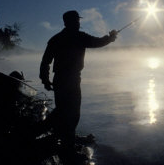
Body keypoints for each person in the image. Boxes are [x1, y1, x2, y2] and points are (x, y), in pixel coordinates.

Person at [39, 10, 117, 153]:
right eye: (77, 21)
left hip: (60, 80)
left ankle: (59, 136)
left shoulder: (56, 39)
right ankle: (65, 144)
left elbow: (45, 62)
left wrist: (45, 79)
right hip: (72, 80)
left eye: (78, 21)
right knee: (73, 113)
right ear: (69, 22)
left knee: (62, 109)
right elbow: (98, 42)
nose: (78, 23)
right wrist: (110, 38)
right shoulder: (79, 37)